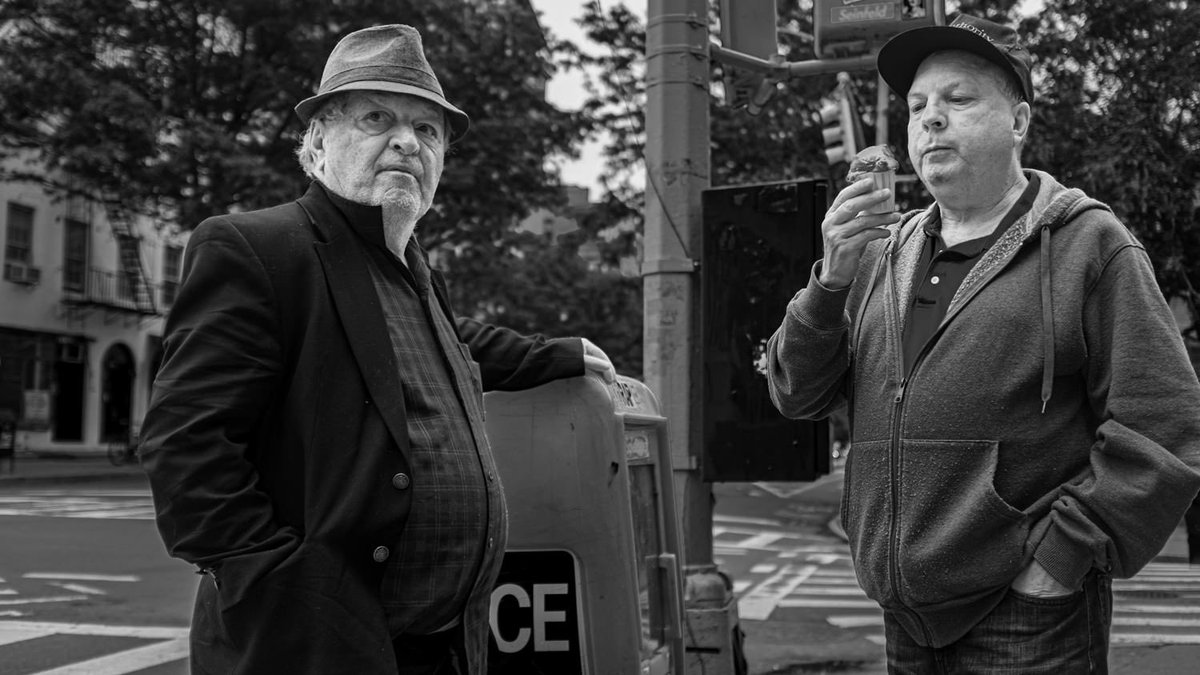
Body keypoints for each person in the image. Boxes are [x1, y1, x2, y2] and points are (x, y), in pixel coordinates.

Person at [139, 24, 615, 675]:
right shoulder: (259, 249)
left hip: (442, 647)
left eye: (428, 130)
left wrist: (561, 352)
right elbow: (185, 447)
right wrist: (288, 594)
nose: (406, 141)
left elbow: (455, 346)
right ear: (319, 140)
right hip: (319, 650)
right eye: (376, 117)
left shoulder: (416, 274)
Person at [766, 14, 1200, 673]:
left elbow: (1163, 425)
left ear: (1019, 121)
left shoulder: (1090, 244)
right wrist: (829, 281)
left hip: (1029, 619)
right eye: (917, 106)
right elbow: (796, 393)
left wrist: (1062, 558)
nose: (931, 119)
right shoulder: (878, 255)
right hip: (905, 621)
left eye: (958, 98)